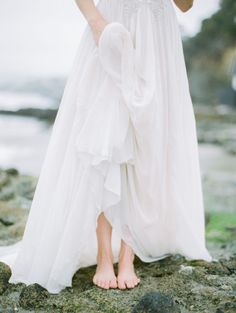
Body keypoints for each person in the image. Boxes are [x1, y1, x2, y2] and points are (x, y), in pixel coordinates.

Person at [0, 0, 212, 294]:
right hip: (110, 27)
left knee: (148, 141)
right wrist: (97, 23)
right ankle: (103, 255)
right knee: (105, 137)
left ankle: (128, 254)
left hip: (157, 37)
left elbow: (186, 5)